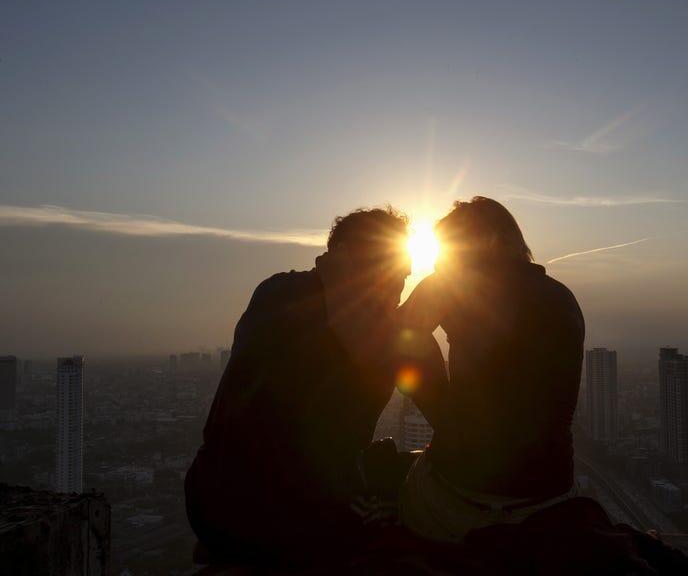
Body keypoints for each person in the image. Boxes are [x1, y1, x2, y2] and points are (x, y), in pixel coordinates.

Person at [184, 206, 446, 567]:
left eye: (400, 275)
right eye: (383, 269)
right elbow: (450, 422)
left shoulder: (274, 290)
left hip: (209, 501)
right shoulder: (380, 332)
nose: (396, 287)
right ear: (341, 258)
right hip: (292, 516)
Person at [397, 196, 585, 543]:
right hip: (552, 497)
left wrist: (448, 421)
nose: (442, 261)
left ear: (486, 242)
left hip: (466, 502)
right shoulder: (562, 297)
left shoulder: (457, 287)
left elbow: (397, 336)